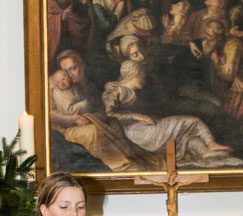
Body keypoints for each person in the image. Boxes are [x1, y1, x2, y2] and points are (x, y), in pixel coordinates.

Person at [102, 59, 243, 167]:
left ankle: (207, 153)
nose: (144, 78)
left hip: (145, 127)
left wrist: (147, 116)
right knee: (192, 121)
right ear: (133, 74)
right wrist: (137, 116)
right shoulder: (116, 91)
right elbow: (109, 115)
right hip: (137, 133)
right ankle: (211, 143)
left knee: (186, 135)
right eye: (142, 76)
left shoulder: (137, 91)